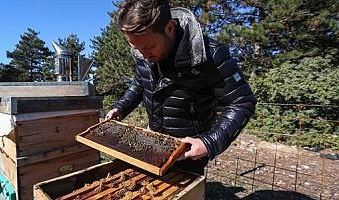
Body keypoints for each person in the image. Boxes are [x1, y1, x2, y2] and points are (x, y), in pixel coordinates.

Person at [106, 0, 256, 175]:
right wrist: (121, 107)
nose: (144, 55)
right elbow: (141, 83)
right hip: (154, 143)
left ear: (169, 28)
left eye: (149, 47)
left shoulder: (211, 55)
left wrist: (208, 142)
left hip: (189, 151)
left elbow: (242, 102)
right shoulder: (143, 53)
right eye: (137, 48)